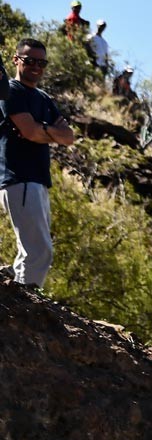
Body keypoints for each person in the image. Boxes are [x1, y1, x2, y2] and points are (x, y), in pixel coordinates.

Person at [0, 40, 75, 288]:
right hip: (19, 177)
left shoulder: (42, 97)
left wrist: (41, 130)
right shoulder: (10, 91)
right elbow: (30, 131)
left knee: (32, 249)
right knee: (39, 251)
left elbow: (68, 137)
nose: (36, 67)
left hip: (38, 181)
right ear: (16, 60)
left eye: (41, 62)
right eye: (29, 60)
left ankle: (19, 292)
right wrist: (46, 131)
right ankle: (29, 302)